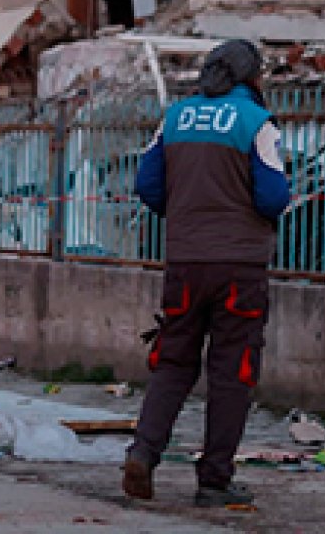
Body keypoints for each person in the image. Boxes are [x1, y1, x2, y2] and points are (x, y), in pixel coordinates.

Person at [121, 39, 290, 508]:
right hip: (239, 265)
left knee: (173, 361)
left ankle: (143, 452)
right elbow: (274, 196)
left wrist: (183, 215)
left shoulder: (175, 118)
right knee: (232, 371)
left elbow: (147, 184)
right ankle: (214, 479)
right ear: (251, 78)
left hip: (185, 261)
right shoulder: (257, 122)